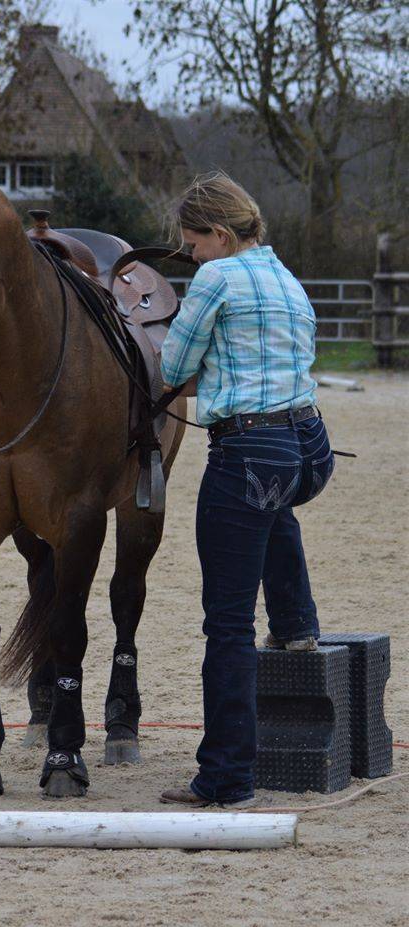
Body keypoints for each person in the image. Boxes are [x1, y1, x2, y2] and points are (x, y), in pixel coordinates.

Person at [159, 171, 335, 808]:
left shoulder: (216, 279)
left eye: (194, 243)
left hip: (252, 449)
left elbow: (173, 370)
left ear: (222, 234)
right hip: (310, 447)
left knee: (226, 625)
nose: (192, 256)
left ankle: (226, 777)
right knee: (273, 507)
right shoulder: (288, 279)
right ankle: (296, 624)